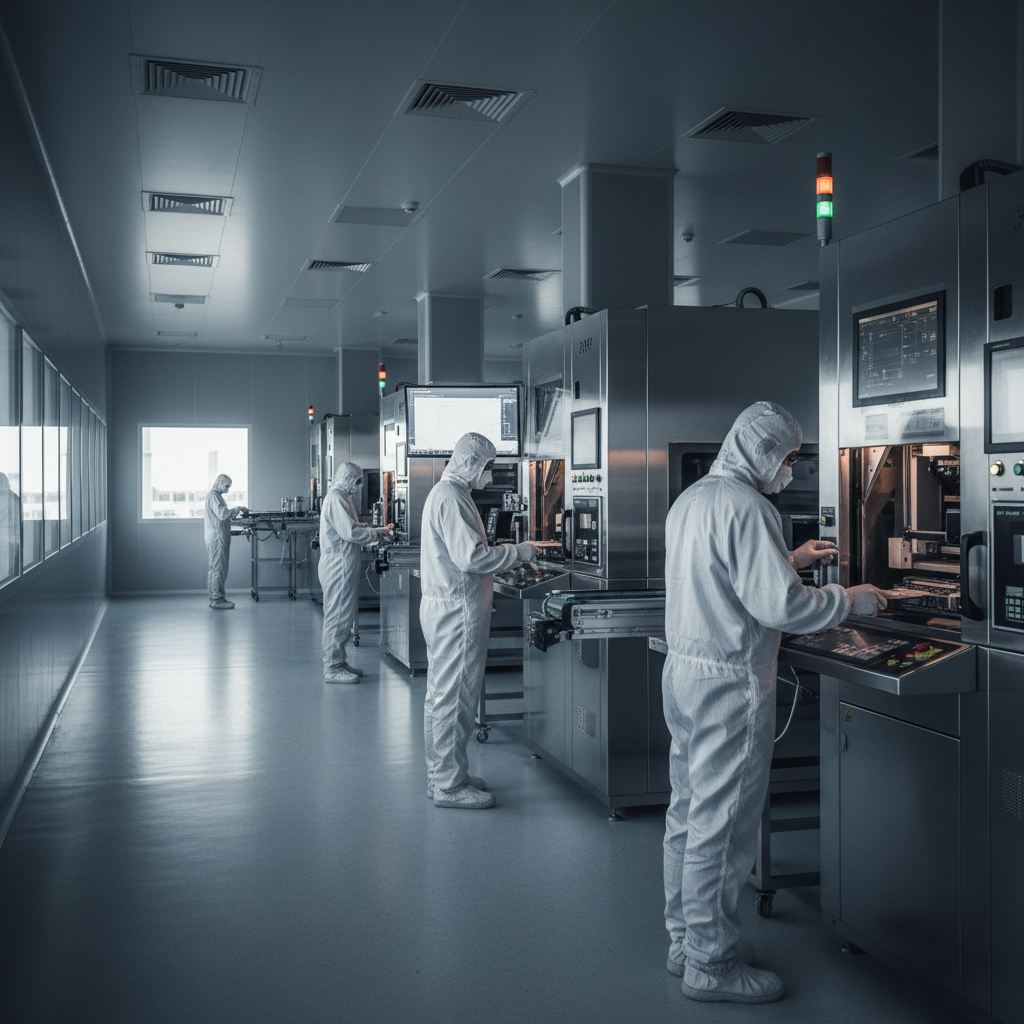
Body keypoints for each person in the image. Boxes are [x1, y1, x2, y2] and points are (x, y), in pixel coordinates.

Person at [661, 401, 889, 1004]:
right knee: (724, 825)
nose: (790, 469)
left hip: (685, 674)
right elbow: (781, 609)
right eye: (788, 457)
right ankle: (711, 966)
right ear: (763, 451)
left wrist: (792, 561)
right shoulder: (749, 507)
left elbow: (728, 575)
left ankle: (685, 939)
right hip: (728, 684)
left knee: (688, 814)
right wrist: (851, 599)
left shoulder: (696, 499)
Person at [420, 432, 538, 809]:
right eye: (488, 467)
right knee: (454, 699)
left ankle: (444, 775)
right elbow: (472, 558)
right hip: (456, 611)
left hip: (448, 607)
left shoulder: (450, 494)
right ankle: (448, 786)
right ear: (472, 463)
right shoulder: (452, 497)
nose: (490, 474)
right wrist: (519, 552)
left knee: (443, 696)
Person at [319, 462, 393, 683]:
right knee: (337, 618)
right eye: (358, 481)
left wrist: (375, 530)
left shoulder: (342, 497)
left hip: (343, 565)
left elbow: (352, 526)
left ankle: (339, 662)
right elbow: (350, 533)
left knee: (343, 617)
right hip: (337, 567)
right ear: (348, 478)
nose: (360, 486)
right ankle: (332, 668)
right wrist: (376, 533)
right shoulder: (336, 497)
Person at [204, 474, 247, 610]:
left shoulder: (214, 496)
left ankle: (215, 597)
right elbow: (222, 514)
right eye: (226, 486)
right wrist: (238, 509)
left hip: (215, 536)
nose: (228, 489)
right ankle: (217, 599)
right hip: (218, 538)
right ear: (220, 483)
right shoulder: (214, 496)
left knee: (215, 568)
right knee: (219, 568)